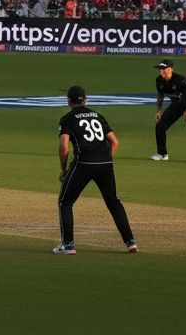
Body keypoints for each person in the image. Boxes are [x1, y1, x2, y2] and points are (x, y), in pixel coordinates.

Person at [55, 85, 137, 255]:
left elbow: (64, 148)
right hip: (106, 163)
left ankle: (68, 245)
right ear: (85, 100)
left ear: (69, 101)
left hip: (83, 163)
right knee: (114, 202)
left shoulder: (67, 118)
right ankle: (130, 242)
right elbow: (114, 142)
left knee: (65, 202)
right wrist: (105, 159)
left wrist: (63, 169)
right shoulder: (98, 116)